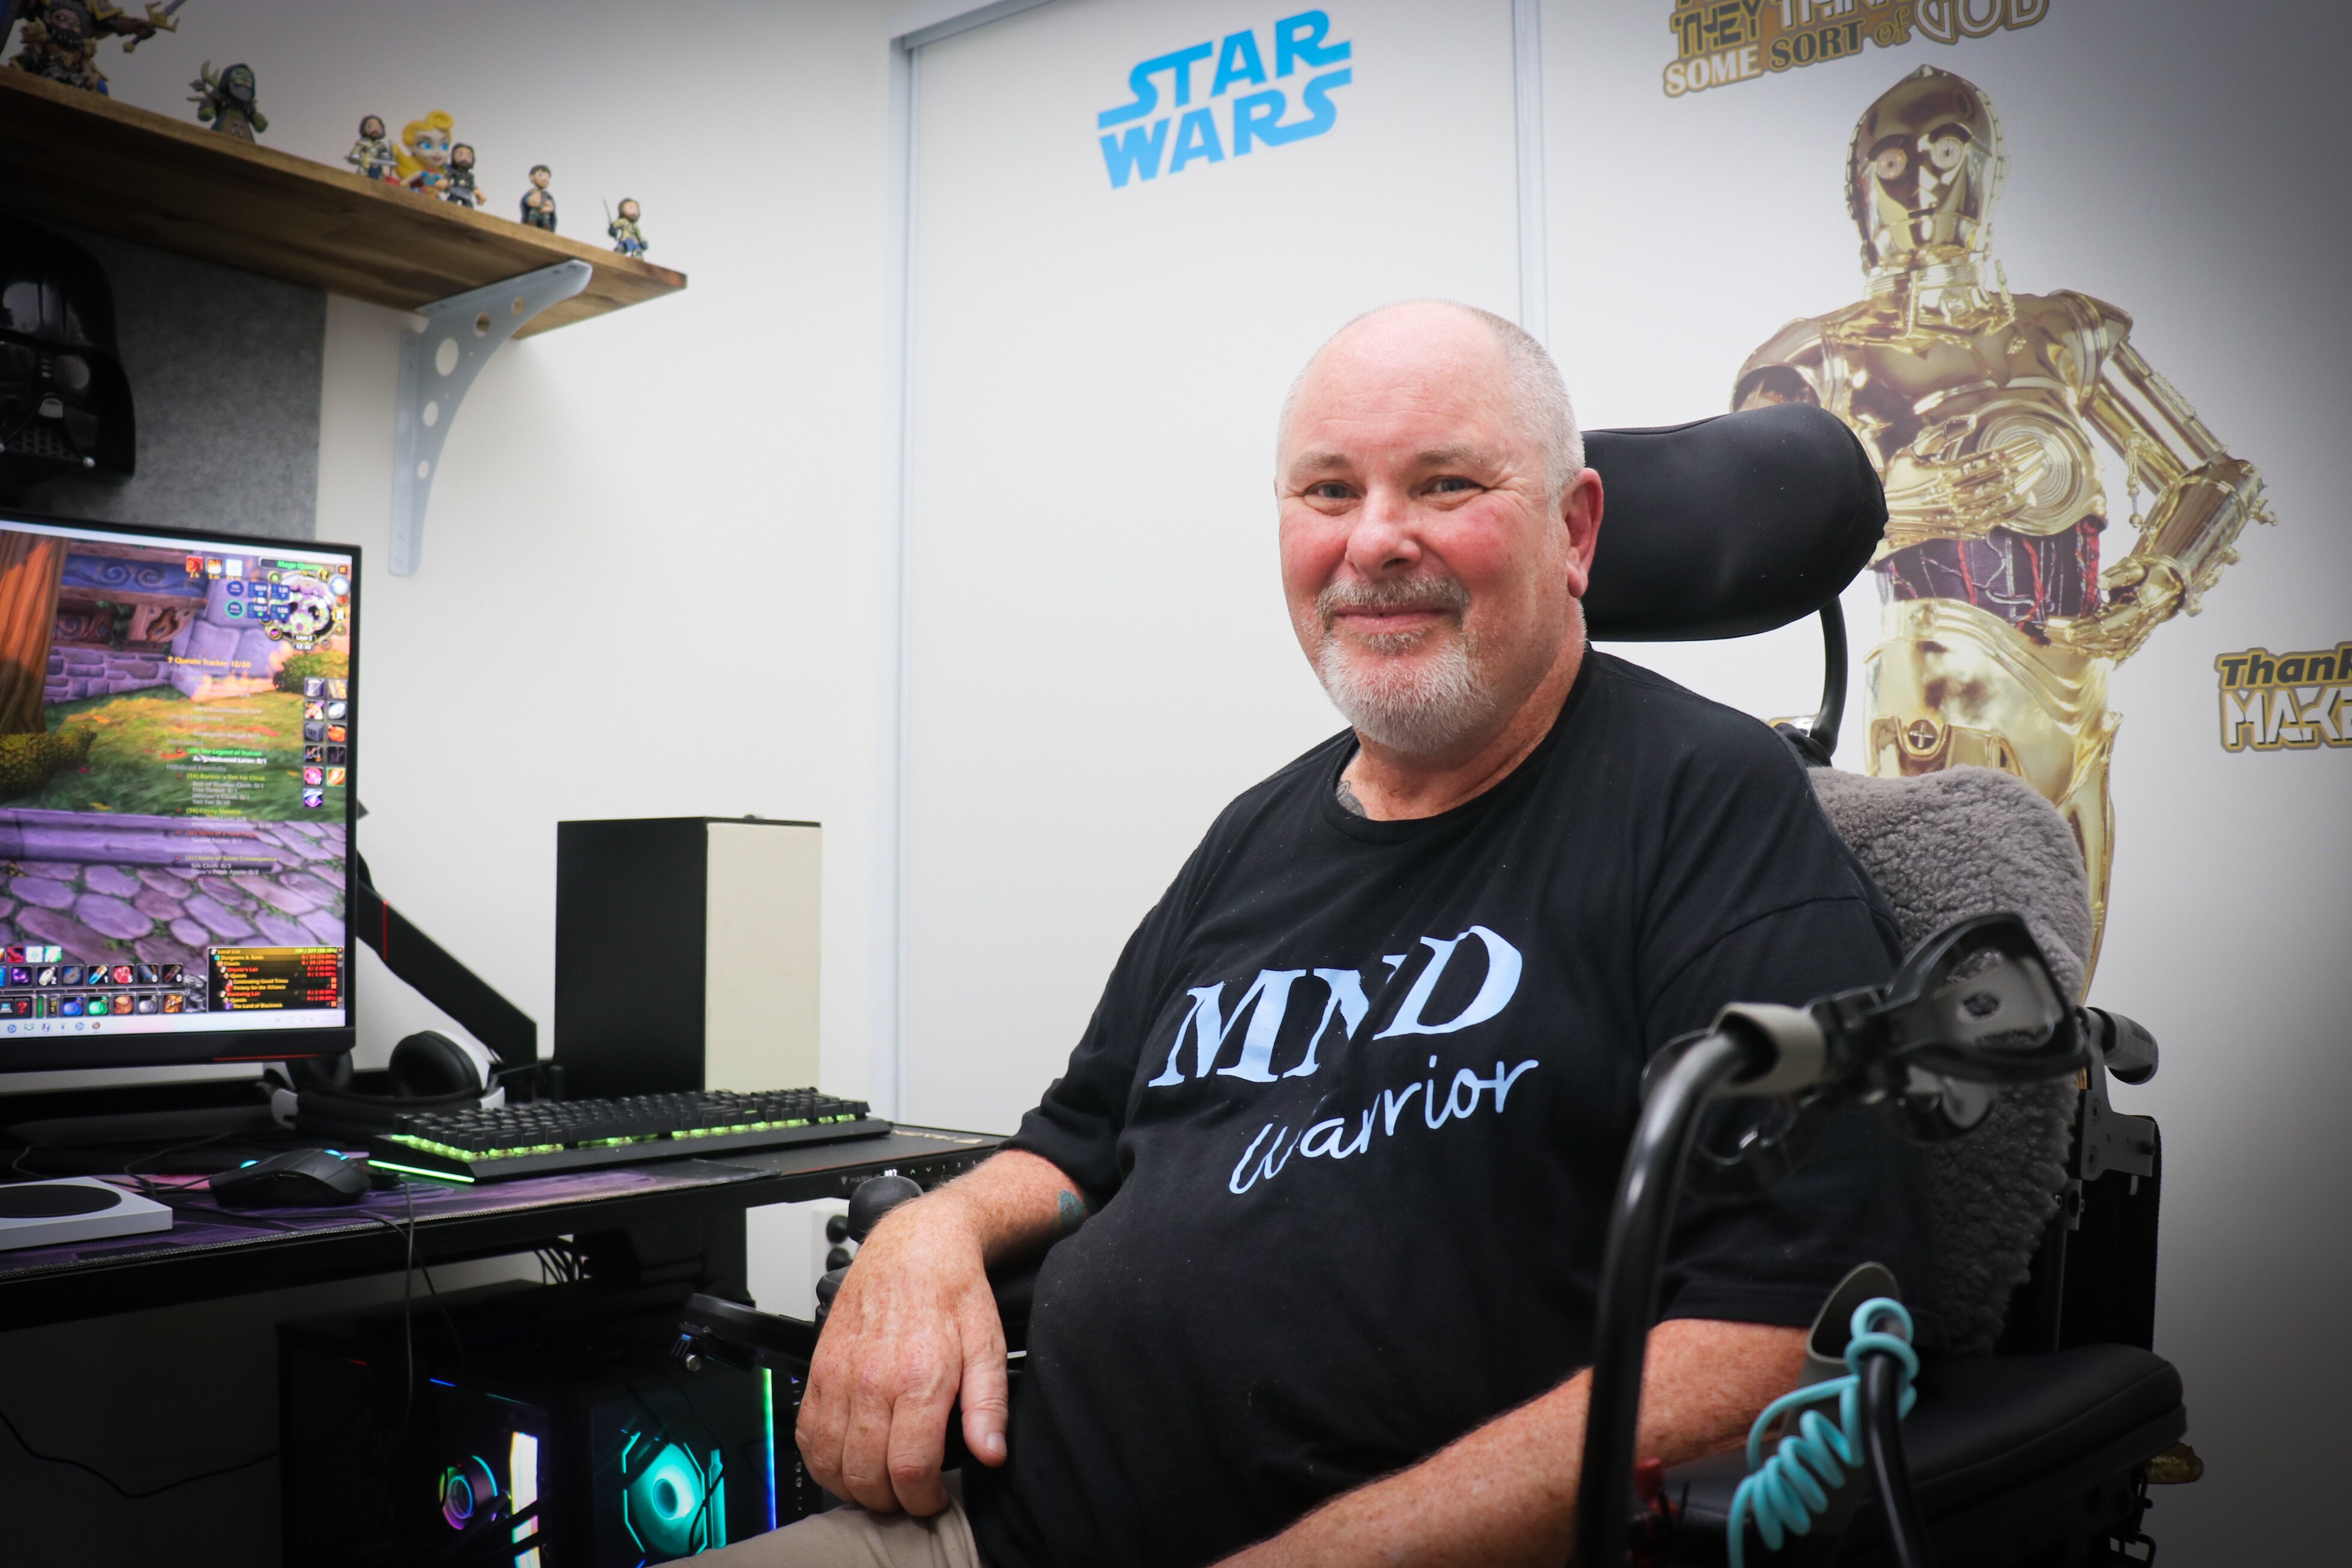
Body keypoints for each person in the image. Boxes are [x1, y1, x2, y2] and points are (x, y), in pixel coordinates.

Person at [716, 301, 1941, 1567]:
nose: (1373, 542)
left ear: (1575, 529)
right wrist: (931, 1233)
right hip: (999, 1526)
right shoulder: (1254, 835)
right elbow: (1077, 1142)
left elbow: (1788, 1325)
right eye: (1327, 490)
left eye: (1445, 483)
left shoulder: (1708, 805)